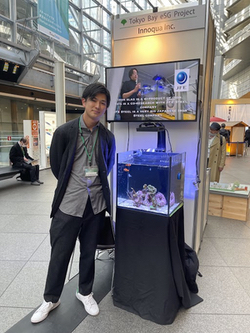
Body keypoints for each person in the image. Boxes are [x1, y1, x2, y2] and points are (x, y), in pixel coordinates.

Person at [31, 82, 116, 324]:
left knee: (89, 252)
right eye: (94, 101)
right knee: (60, 253)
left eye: (103, 103)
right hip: (68, 204)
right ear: (83, 102)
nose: (98, 106)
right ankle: (51, 298)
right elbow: (58, 166)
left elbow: (106, 167)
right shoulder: (64, 132)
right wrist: (75, 186)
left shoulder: (107, 137)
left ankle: (85, 292)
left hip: (96, 205)